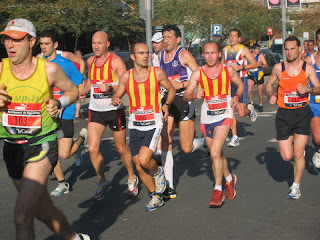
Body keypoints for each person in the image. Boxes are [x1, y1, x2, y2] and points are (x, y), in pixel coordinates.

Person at [0, 18, 90, 239]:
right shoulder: (1, 68)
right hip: (11, 147)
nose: (10, 45)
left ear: (31, 41)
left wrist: (59, 104)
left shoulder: (49, 69)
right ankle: (74, 238)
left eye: (16, 40)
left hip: (40, 144)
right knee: (41, 210)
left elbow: (72, 91)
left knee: (22, 215)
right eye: (6, 39)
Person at [112, 42, 175, 211]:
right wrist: (115, 99)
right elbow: (118, 94)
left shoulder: (157, 73)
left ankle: (157, 173)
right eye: (141, 53)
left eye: (147, 52)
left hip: (153, 123)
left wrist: (166, 104)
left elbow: (171, 89)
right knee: (139, 165)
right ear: (133, 56)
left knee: (144, 160)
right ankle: (156, 195)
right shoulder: (126, 76)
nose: (145, 56)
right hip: (135, 124)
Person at [184, 41, 245, 207]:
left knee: (215, 153)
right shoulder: (198, 74)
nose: (210, 56)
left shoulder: (228, 70)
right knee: (216, 153)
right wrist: (195, 95)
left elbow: (240, 85)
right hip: (208, 116)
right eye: (207, 53)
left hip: (224, 114)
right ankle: (229, 178)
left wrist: (236, 97)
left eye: (213, 53)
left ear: (219, 54)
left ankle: (218, 191)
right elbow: (186, 95)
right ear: (203, 55)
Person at [79, 31, 138, 200]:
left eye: (99, 43)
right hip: (96, 110)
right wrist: (84, 90)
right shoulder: (91, 61)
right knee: (92, 149)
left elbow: (125, 83)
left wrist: (111, 88)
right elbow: (91, 80)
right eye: (93, 43)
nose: (96, 46)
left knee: (121, 149)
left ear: (107, 44)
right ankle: (103, 181)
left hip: (114, 110)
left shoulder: (116, 61)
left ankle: (132, 178)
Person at [266, 36, 320, 199]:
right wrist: (271, 95)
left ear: (299, 50)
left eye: (292, 49)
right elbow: (269, 84)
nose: (289, 52)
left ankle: (296, 186)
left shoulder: (307, 68)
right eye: (286, 49)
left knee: (297, 153)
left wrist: (308, 89)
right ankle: (298, 155)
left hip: (302, 113)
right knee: (286, 156)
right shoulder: (278, 68)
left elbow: (318, 88)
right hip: (284, 114)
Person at [39, 30, 87, 196]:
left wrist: (75, 99)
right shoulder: (38, 63)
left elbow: (80, 82)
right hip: (47, 115)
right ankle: (62, 183)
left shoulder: (65, 64)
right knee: (49, 152)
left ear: (55, 45)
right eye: (42, 44)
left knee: (64, 154)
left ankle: (80, 141)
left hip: (65, 113)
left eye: (47, 44)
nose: (44, 47)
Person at [159, 24, 204, 199]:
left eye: (169, 36)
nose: (166, 40)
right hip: (168, 101)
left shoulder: (183, 54)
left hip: (184, 101)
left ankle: (202, 142)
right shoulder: (160, 55)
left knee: (186, 148)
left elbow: (199, 74)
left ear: (178, 39)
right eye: (164, 36)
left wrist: (183, 85)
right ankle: (168, 186)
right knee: (166, 140)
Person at [221, 29, 258, 147]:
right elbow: (222, 65)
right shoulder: (225, 50)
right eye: (230, 36)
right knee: (231, 109)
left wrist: (241, 67)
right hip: (228, 83)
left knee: (241, 113)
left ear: (239, 38)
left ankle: (250, 110)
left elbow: (254, 64)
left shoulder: (244, 49)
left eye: (234, 36)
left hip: (241, 82)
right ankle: (235, 136)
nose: (231, 38)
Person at [304, 29, 320, 168]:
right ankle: (319, 150)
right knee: (317, 137)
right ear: (316, 42)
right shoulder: (309, 61)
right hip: (314, 103)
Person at [247, 44, 268, 112]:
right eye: (256, 49)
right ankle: (252, 102)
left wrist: (260, 65)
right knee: (249, 90)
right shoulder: (250, 55)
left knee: (260, 93)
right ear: (253, 49)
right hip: (251, 74)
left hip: (259, 74)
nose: (258, 50)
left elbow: (266, 65)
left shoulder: (261, 56)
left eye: (259, 49)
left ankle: (261, 105)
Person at [74, 49, 83, 122]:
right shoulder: (80, 63)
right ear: (79, 55)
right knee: (78, 100)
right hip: (78, 82)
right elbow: (81, 74)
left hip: (70, 82)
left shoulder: (70, 62)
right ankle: (77, 115)